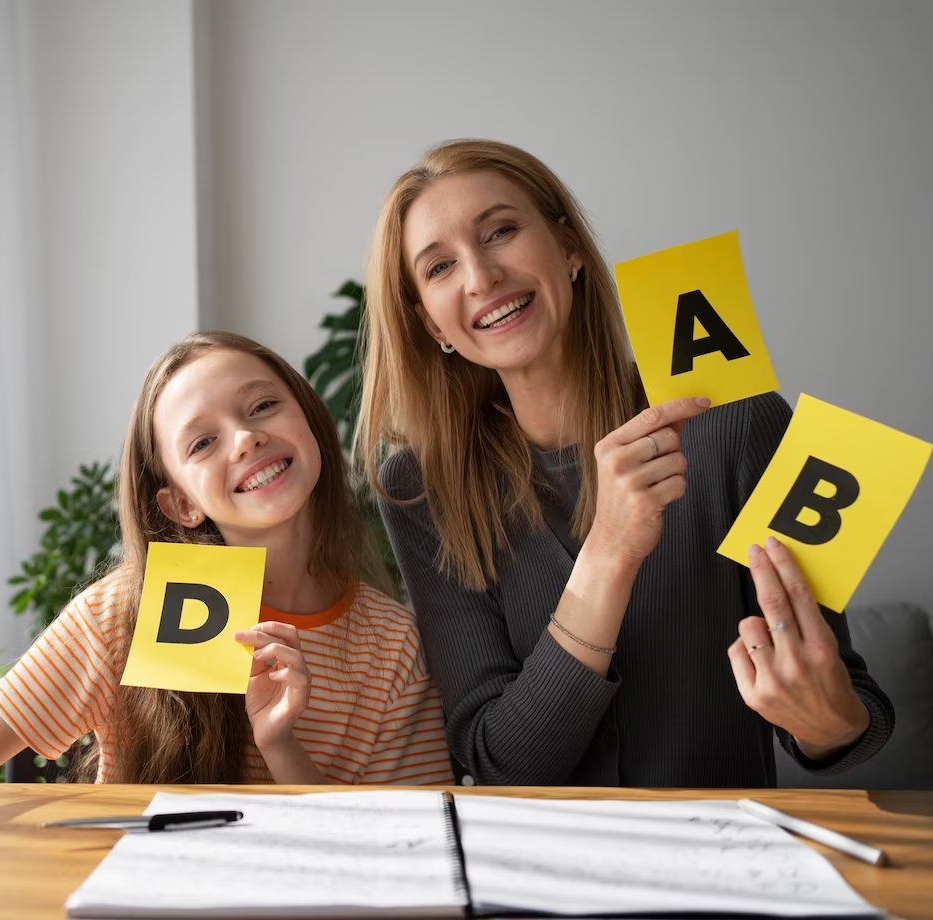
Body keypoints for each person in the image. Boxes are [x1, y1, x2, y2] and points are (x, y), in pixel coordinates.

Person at [356, 139, 893, 787]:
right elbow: (497, 759)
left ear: (569, 246)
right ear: (430, 324)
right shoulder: (419, 489)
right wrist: (609, 552)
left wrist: (829, 721)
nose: (480, 277)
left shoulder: (735, 418)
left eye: (500, 231)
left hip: (718, 863)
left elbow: (850, 708)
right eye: (439, 267)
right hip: (540, 876)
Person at [0, 332, 454, 786]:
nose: (244, 439)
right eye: (202, 443)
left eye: (263, 406)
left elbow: (398, 845)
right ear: (180, 506)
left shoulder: (391, 642)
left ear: (309, 424)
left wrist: (281, 745)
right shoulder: (121, 612)